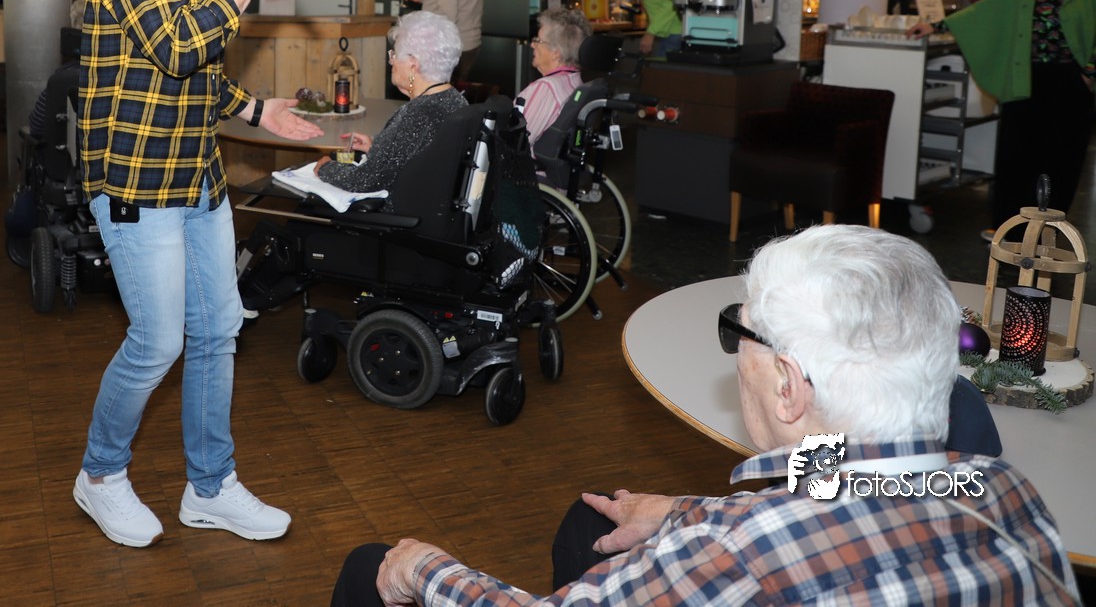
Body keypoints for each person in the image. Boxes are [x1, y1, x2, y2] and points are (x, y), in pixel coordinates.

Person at [330, 224, 1079, 606]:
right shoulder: (1004, 490)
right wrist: (682, 512)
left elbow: (770, 542)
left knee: (373, 568)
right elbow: (861, 485)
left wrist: (424, 569)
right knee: (590, 527)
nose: (733, 353)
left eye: (738, 331)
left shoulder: (741, 557)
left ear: (789, 386)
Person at [74, 0, 323, 549]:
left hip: (198, 179)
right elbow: (180, 45)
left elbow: (195, 76)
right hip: (138, 183)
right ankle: (100, 476)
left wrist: (258, 109)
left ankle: (209, 489)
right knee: (158, 343)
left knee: (218, 332)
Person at [907, 0, 1096, 230]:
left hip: (1068, 81)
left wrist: (1089, 73)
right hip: (1024, 77)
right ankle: (1007, 225)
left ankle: (1048, 227)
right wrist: (936, 25)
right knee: (1016, 153)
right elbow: (985, 12)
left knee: (1060, 157)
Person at [313, 11, 467, 198]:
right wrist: (378, 147)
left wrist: (326, 167)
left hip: (399, 210)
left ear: (413, 65)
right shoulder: (457, 101)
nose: (391, 61)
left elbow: (366, 180)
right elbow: (420, 158)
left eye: (394, 54)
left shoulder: (419, 113)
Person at [513, 8, 591, 146]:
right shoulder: (577, 82)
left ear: (556, 52)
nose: (532, 44)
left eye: (538, 40)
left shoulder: (546, 89)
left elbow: (516, 143)